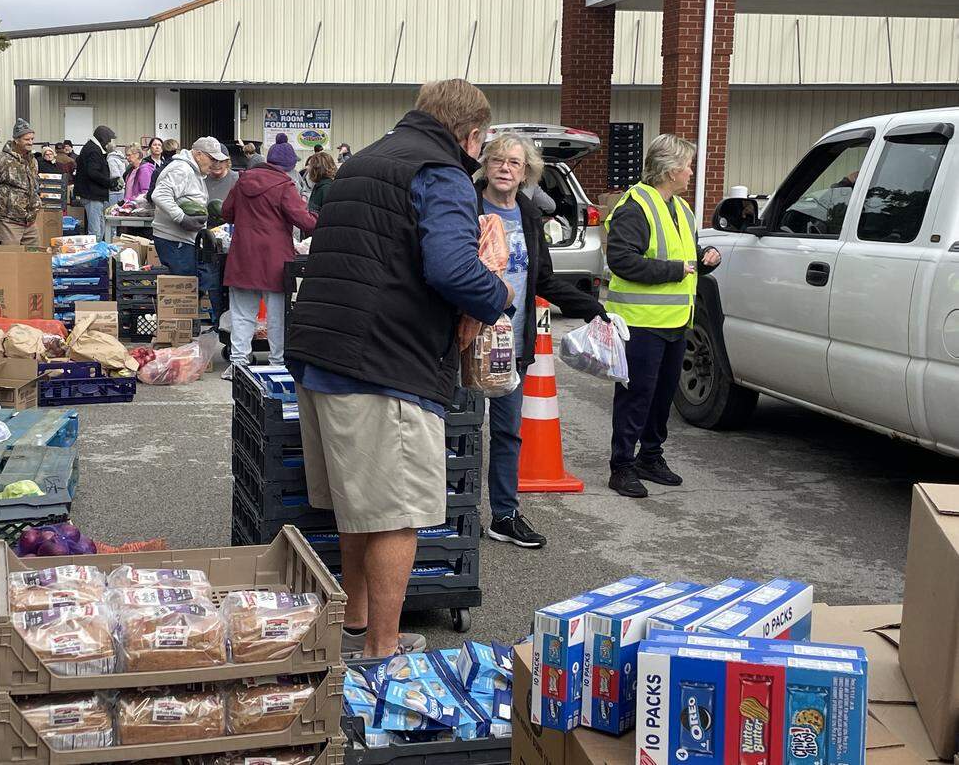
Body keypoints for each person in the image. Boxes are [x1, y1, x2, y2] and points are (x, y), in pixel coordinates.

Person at [286, 79, 513, 658]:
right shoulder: (441, 172)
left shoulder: (362, 161)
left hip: (321, 352)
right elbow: (452, 269)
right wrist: (498, 293)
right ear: (472, 135)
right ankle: (382, 649)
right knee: (396, 516)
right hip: (383, 362)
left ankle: (356, 625)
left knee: (358, 506)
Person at [473, 133, 606, 548]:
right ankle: (453, 513)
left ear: (526, 172)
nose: (505, 168)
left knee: (507, 433)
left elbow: (543, 278)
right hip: (465, 345)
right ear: (485, 165)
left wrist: (588, 305)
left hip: (512, 346)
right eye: (498, 160)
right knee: (458, 434)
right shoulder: (466, 206)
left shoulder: (528, 215)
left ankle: (504, 515)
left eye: (514, 163)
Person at [604, 133, 721, 499]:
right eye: (687, 166)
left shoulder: (681, 208)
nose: (691, 173)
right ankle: (622, 466)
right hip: (640, 323)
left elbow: (686, 256)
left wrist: (705, 258)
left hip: (675, 322)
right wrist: (676, 270)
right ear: (670, 170)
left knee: (662, 396)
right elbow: (621, 260)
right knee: (636, 396)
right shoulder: (635, 206)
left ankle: (650, 457)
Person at [221, 149, 317, 379]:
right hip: (275, 259)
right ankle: (277, 364)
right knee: (277, 317)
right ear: (289, 166)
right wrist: (321, 217)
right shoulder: (284, 186)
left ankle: (238, 364)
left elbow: (226, 213)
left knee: (242, 314)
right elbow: (304, 221)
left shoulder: (242, 181)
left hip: (243, 255)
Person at [150, 137, 222, 277]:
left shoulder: (193, 170)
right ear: (199, 155)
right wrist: (182, 218)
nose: (215, 164)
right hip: (175, 240)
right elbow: (159, 195)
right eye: (212, 159)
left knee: (188, 284)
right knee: (184, 286)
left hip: (182, 241)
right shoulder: (182, 169)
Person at [0, 118, 42, 245]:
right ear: (16, 140)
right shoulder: (0, 161)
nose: (30, 142)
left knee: (34, 254)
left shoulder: (33, 161)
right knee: (11, 255)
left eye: (32, 139)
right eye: (27, 139)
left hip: (30, 221)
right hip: (8, 222)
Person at [200, 147, 239, 315]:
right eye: (213, 160)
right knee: (212, 281)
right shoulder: (201, 180)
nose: (216, 164)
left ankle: (230, 319)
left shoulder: (237, 179)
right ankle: (217, 319)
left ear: (227, 161)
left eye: (220, 161)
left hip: (233, 239)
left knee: (231, 282)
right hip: (209, 239)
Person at [75, 125, 117, 239]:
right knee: (95, 232)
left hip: (92, 194)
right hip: (92, 195)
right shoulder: (94, 150)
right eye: (109, 140)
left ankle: (97, 249)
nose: (109, 143)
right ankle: (94, 250)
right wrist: (109, 182)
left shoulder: (91, 148)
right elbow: (93, 172)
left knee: (100, 228)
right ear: (103, 138)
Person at [267, 134, 310, 199]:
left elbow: (304, 189)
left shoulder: (295, 173)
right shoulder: (269, 175)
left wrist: (304, 197)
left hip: (295, 204)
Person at [106, 140, 129, 208]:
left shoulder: (111, 160)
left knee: (113, 211)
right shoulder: (120, 157)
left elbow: (114, 175)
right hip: (122, 189)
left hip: (115, 191)